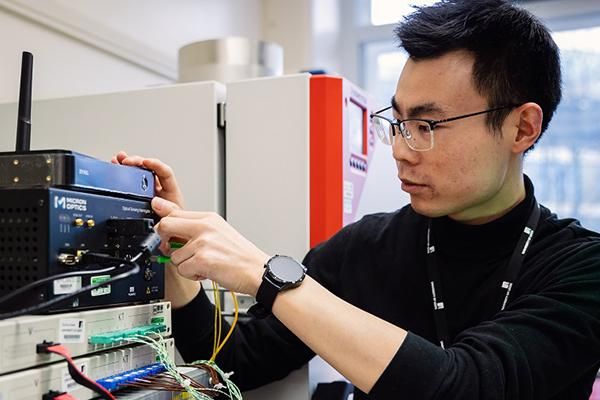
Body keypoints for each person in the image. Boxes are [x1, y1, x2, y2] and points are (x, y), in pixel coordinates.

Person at [114, 0, 600, 398]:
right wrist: (178, 272)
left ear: (522, 127)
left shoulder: (580, 267)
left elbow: (466, 385)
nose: (402, 151)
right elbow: (238, 361)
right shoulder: (365, 247)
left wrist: (268, 276)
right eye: (400, 123)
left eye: (428, 126)